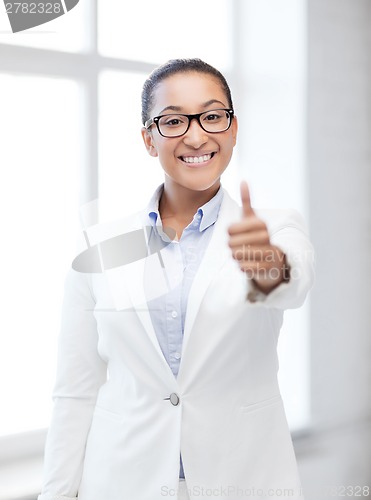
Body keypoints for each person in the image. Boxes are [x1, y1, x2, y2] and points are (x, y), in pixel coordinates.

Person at [38, 58, 314, 500]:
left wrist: (267, 268)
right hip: (121, 481)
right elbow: (75, 389)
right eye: (173, 121)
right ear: (148, 139)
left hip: (243, 479)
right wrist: (55, 493)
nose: (196, 134)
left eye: (211, 115)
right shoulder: (100, 244)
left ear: (233, 127)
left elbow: (292, 280)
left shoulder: (273, 227)